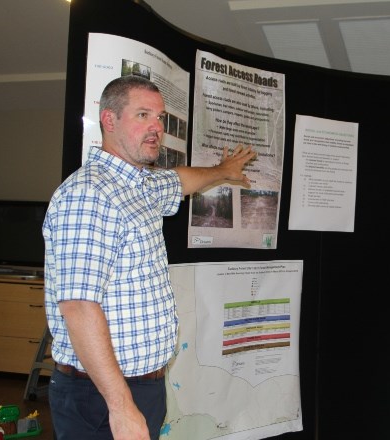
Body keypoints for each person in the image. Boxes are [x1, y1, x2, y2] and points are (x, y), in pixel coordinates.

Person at [43, 75, 256, 440]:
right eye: (143, 115)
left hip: (140, 387)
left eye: (159, 117)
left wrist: (223, 172)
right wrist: (121, 406)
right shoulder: (90, 194)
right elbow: (78, 307)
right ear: (109, 121)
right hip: (101, 395)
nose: (156, 127)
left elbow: (183, 180)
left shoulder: (140, 185)